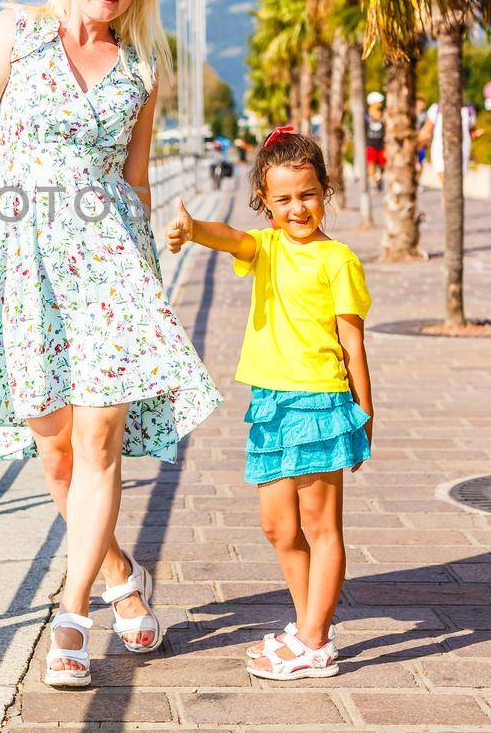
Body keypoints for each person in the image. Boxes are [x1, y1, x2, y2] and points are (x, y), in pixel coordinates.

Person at [0, 0, 223, 689]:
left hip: (110, 261)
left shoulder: (144, 65)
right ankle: (121, 575)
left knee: (100, 442)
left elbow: (138, 179)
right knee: (53, 447)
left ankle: (72, 615)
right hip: (27, 257)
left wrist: (147, 277)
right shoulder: (16, 32)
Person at [164, 128, 374, 681]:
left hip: (322, 402)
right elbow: (230, 237)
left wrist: (364, 419)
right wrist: (192, 229)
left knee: (321, 526)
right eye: (283, 199)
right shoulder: (268, 248)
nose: (296, 207)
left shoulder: (338, 260)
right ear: (264, 199)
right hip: (270, 404)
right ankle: (305, 620)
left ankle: (315, 640)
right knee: (279, 528)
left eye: (307, 194)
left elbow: (353, 343)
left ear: (325, 189)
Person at [363, 91, 386, 192]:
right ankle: (373, 182)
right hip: (370, 144)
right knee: (371, 163)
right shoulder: (367, 117)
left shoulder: (384, 115)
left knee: (383, 164)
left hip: (381, 144)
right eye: (379, 102)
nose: (381, 104)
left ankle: (379, 178)